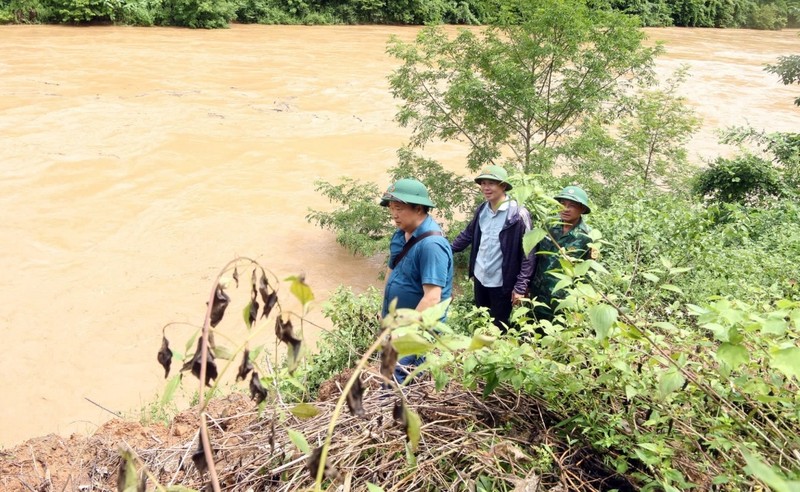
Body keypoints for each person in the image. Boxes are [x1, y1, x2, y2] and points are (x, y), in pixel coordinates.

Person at [379, 178, 454, 384]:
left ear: (419, 208)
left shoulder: (431, 245)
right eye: (391, 208)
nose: (393, 214)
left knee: (401, 378)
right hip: (395, 323)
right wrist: (385, 311)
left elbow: (432, 297)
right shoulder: (400, 235)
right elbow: (391, 271)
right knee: (387, 372)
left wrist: (404, 332)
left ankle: (395, 411)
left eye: (399, 208)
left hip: (416, 330)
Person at [451, 166, 535, 331]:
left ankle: (498, 353)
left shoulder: (518, 215)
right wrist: (446, 249)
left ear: (503, 186)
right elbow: (468, 235)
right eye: (483, 183)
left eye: (491, 183)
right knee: (483, 321)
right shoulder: (482, 209)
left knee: (500, 326)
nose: (486, 188)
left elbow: (529, 253)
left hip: (502, 282)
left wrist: (520, 286)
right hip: (480, 277)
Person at [527, 185, 593, 323]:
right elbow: (534, 257)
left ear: (582, 209)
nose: (565, 209)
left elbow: (588, 275)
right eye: (562, 204)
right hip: (537, 297)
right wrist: (525, 284)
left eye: (571, 205)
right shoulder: (548, 226)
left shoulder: (587, 237)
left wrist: (579, 303)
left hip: (563, 302)